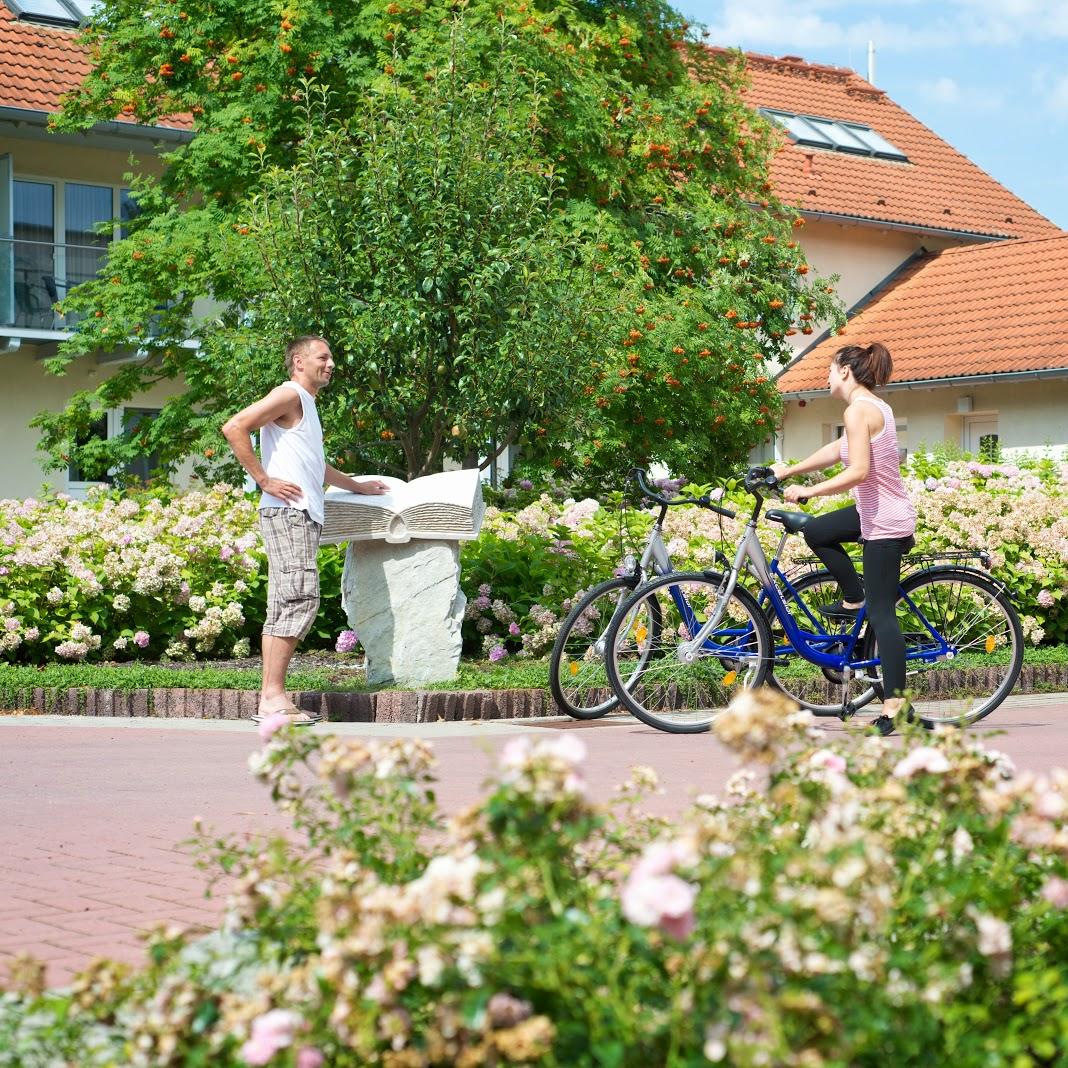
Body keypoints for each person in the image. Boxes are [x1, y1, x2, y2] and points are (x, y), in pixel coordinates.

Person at [222, 335, 389, 725]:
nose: (331, 364)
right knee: (297, 598)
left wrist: (358, 486)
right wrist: (264, 480)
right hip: (287, 512)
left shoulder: (306, 405)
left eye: (332, 357)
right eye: (323, 357)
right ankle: (272, 698)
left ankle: (272, 698)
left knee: (289, 601)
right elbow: (234, 427)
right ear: (299, 361)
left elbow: (317, 465)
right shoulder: (290, 393)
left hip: (300, 515)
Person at [771, 342, 917, 731]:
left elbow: (859, 472)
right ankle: (855, 597)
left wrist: (809, 492)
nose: (827, 377)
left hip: (885, 521)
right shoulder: (872, 407)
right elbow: (839, 451)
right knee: (816, 531)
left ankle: (894, 707)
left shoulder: (859, 410)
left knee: (884, 615)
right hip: (872, 512)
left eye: (830, 370)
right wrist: (787, 473)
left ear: (846, 373)